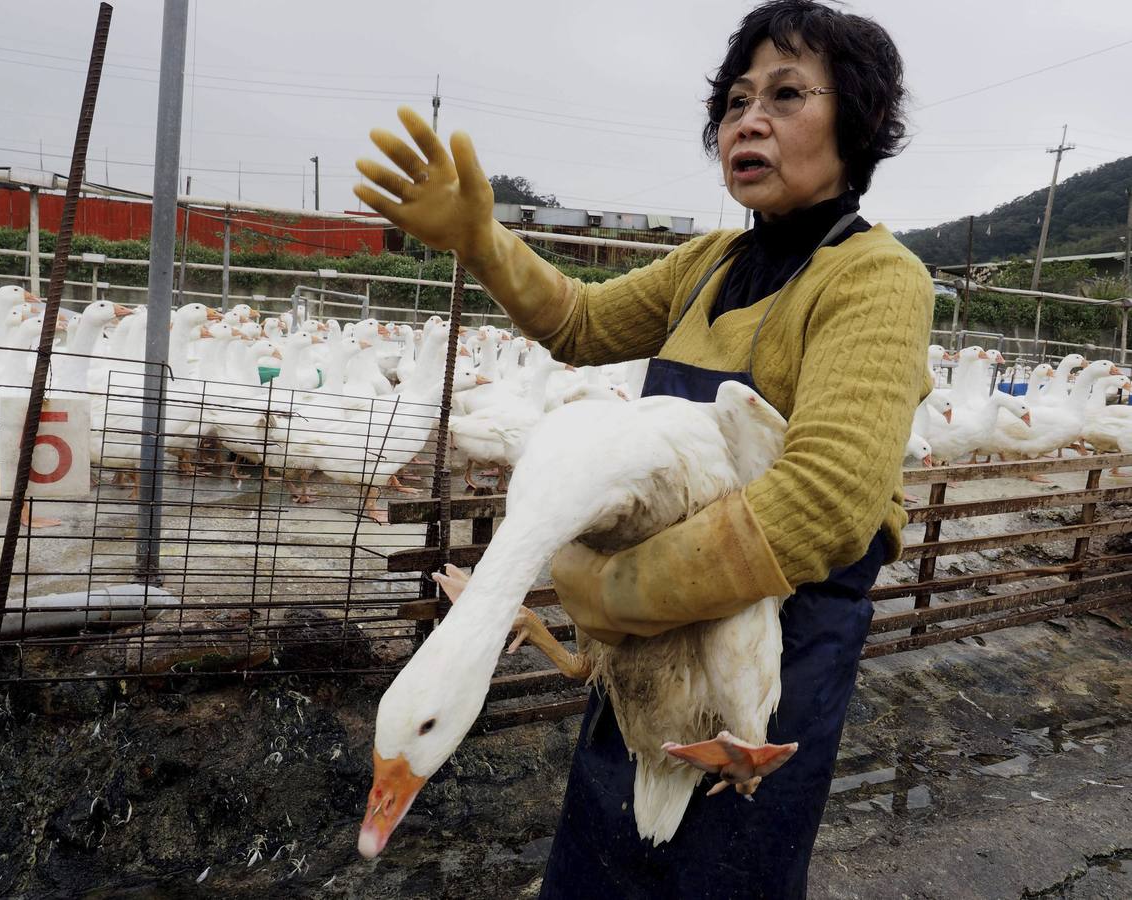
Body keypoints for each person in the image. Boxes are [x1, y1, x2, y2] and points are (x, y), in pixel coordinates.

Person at [353, 1, 932, 895]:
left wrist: (617, 594)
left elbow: (828, 499)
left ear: (853, 121)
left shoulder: (876, 279)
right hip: (639, 662)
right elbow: (580, 322)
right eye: (736, 100)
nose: (747, 119)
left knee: (716, 875)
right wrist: (480, 238)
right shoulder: (708, 264)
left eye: (784, 95)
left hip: (773, 654)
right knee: (600, 861)